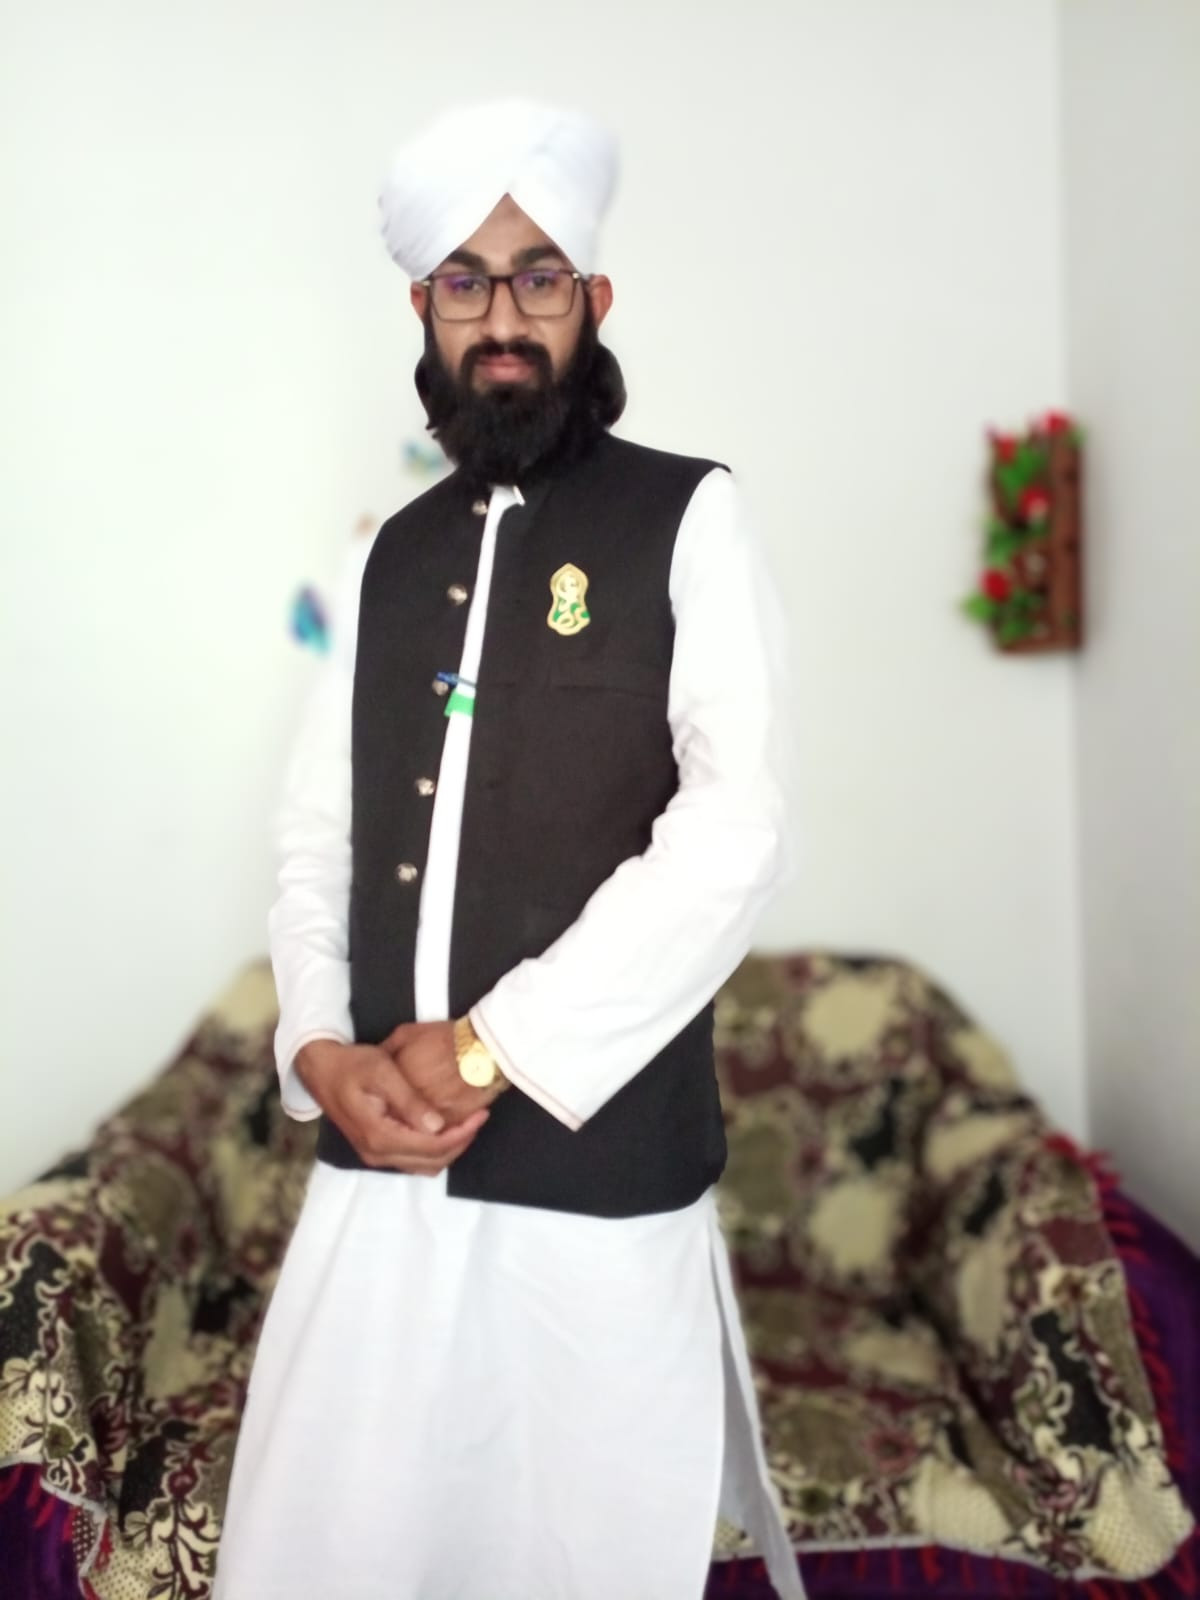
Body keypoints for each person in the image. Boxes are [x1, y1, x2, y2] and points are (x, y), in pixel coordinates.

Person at [213, 98, 806, 1600]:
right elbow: (316, 843)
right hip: (378, 1168)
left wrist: (490, 1050)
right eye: (466, 282)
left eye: (537, 277)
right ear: (422, 309)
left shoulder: (691, 517)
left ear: (592, 300)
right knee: (330, 1555)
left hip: (596, 1191)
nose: (501, 318)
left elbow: (734, 834)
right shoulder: (383, 557)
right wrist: (320, 1053)